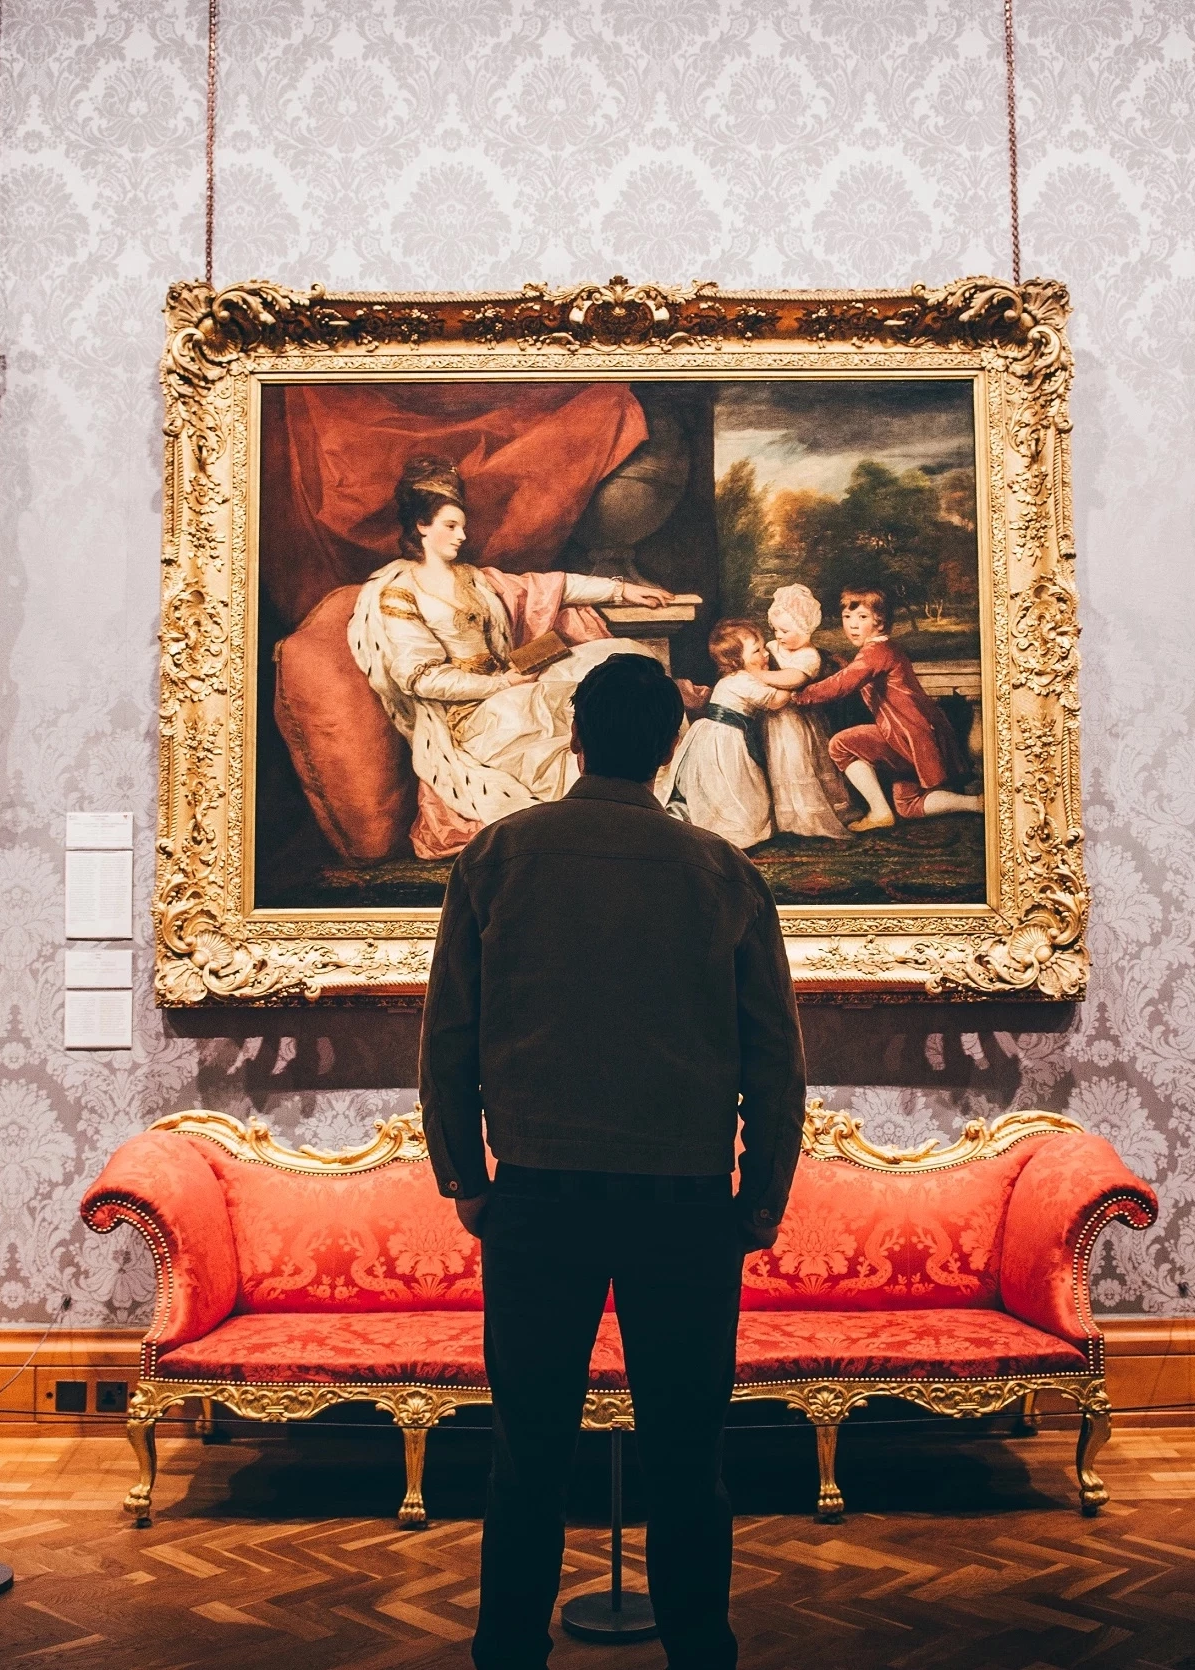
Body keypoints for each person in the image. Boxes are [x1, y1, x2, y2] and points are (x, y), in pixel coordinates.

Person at [420, 651, 807, 1670]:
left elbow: (449, 1033)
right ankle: (699, 1649)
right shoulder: (722, 871)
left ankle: (509, 1649)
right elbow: (773, 1057)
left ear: (575, 736)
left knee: (527, 1456)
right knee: (687, 1456)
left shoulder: (498, 855)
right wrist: (761, 1196)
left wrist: (465, 1176)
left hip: (537, 1196)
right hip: (685, 1204)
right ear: (670, 744)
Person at [349, 456, 675, 856]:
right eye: (450, 526)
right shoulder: (400, 594)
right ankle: (607, 817)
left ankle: (642, 795)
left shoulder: (475, 579)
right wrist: (501, 684)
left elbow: (549, 587)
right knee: (560, 714)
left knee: (618, 655)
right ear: (421, 525)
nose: (461, 536)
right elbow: (420, 678)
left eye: (462, 526)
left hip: (513, 680)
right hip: (470, 714)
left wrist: (622, 590)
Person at [791, 585, 983, 828]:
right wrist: (844, 664)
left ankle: (879, 811)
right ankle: (977, 803)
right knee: (908, 805)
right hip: (918, 735)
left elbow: (843, 683)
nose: (852, 625)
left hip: (905, 735)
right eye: (847, 617)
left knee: (840, 745)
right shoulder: (885, 647)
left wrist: (802, 696)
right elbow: (859, 673)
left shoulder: (876, 651)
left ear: (880, 622)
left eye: (862, 617)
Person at [664, 618, 790, 849]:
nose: (765, 654)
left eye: (763, 648)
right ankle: (732, 831)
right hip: (724, 741)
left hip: (715, 735)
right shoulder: (742, 681)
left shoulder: (735, 678)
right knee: (732, 786)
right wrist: (798, 679)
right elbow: (777, 701)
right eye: (757, 650)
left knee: (726, 787)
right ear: (735, 661)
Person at [760, 584, 852, 839]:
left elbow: (793, 679)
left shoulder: (810, 656)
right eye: (775, 629)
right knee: (778, 764)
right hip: (774, 720)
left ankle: (807, 818)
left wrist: (756, 673)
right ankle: (786, 819)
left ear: (806, 628)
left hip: (799, 723)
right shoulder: (772, 647)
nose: (779, 635)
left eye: (785, 630)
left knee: (800, 762)